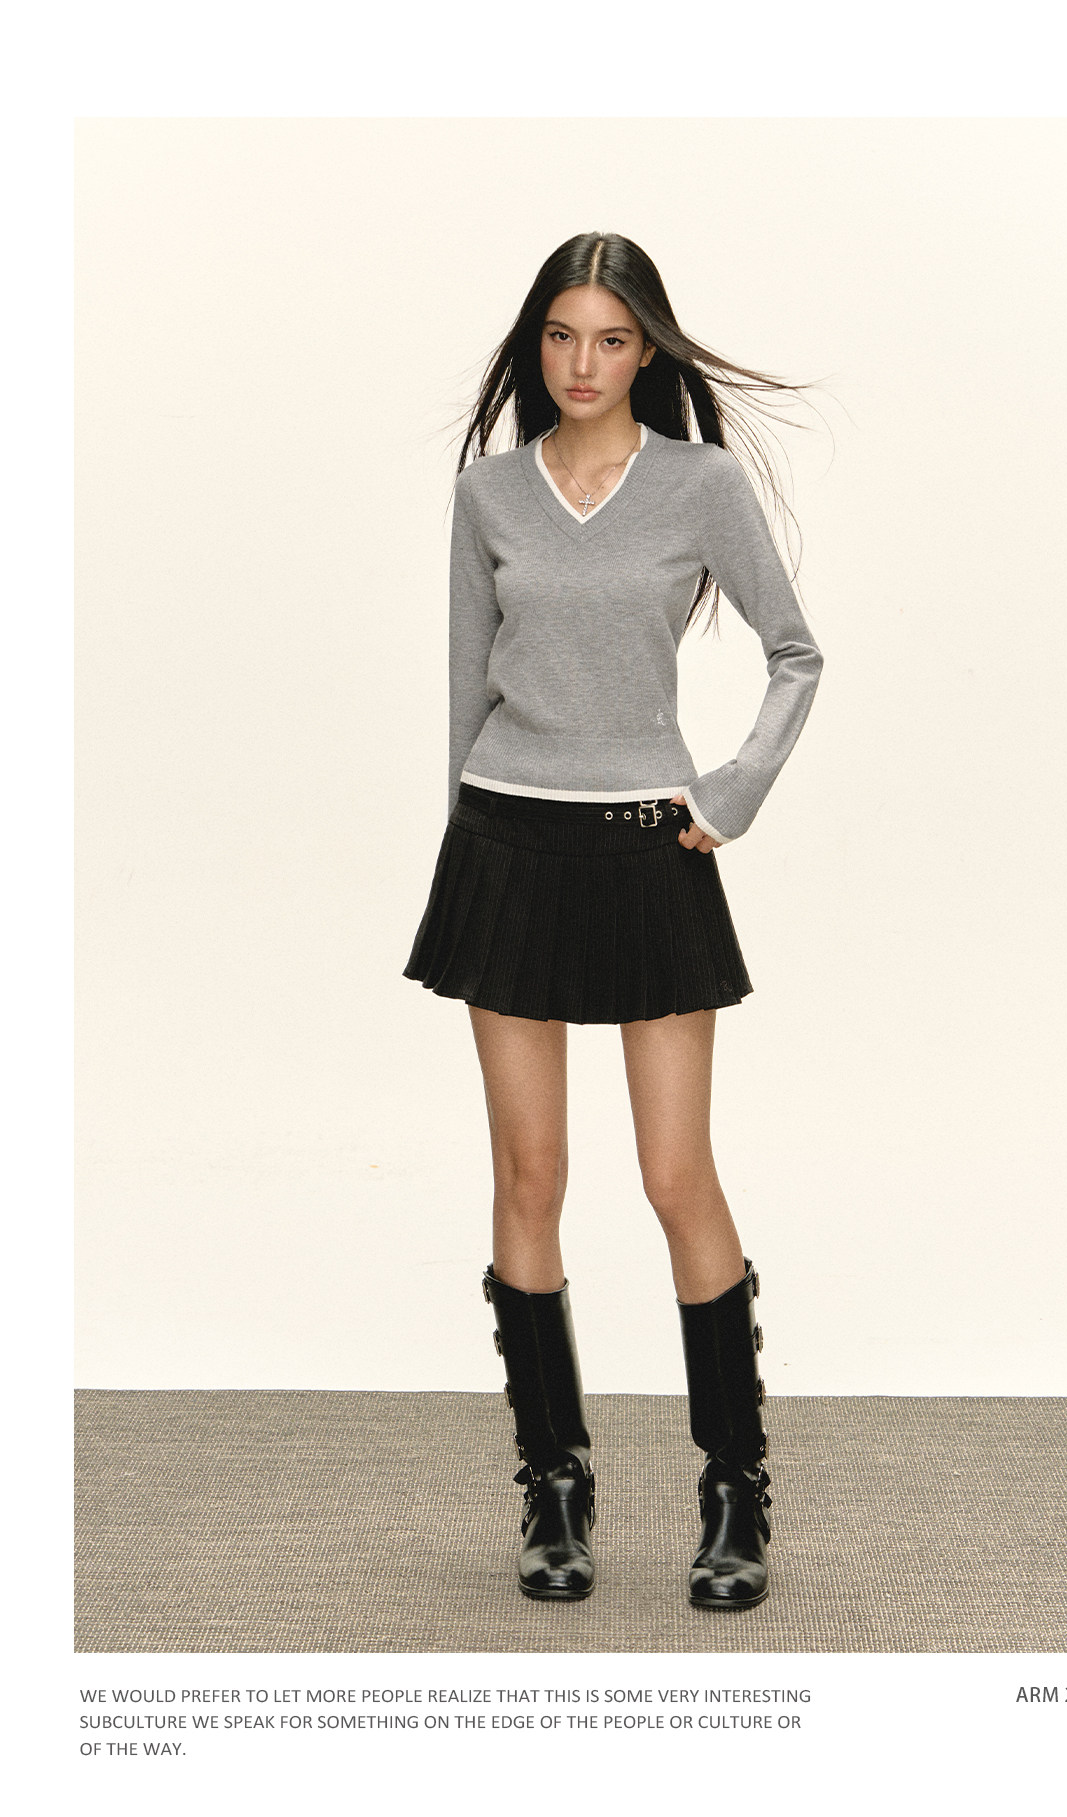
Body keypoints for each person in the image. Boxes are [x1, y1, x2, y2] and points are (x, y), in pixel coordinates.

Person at [404, 231, 824, 1611]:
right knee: (529, 1176)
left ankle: (735, 1489)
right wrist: (460, 851)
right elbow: (464, 684)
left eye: (612, 339)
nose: (583, 363)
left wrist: (732, 792)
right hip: (508, 843)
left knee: (673, 1174)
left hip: (651, 846)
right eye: (562, 335)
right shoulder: (488, 495)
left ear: (649, 349)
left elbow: (796, 651)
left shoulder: (700, 486)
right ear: (535, 343)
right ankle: (554, 1484)